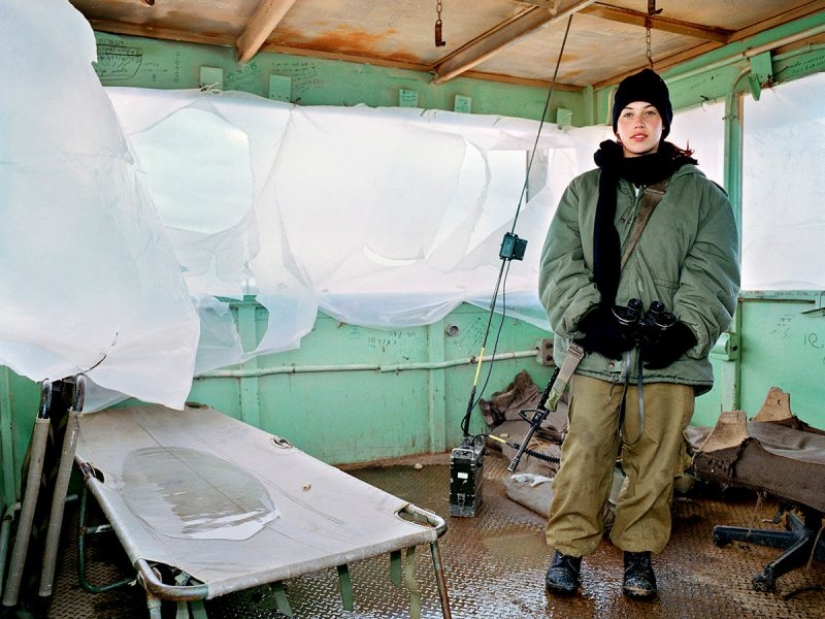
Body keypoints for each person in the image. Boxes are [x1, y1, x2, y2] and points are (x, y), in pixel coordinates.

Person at [538, 68, 740, 599]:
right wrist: (587, 318)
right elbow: (560, 263)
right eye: (628, 113)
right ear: (616, 122)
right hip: (595, 357)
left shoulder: (703, 196)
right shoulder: (584, 191)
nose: (638, 123)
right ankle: (568, 550)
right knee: (583, 455)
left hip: (666, 360)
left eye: (650, 113)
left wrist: (685, 331)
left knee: (655, 463)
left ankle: (638, 555)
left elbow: (714, 269)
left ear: (665, 122)